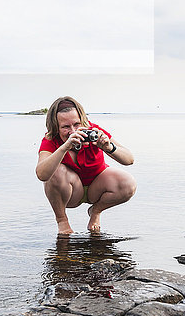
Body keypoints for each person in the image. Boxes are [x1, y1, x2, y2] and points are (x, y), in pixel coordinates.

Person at [36, 96, 136, 234]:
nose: (73, 131)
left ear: (83, 121)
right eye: (65, 127)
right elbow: (42, 174)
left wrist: (108, 147)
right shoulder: (51, 139)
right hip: (71, 193)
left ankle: (96, 211)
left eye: (76, 124)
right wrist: (65, 147)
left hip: (97, 187)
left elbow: (129, 159)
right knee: (55, 172)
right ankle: (62, 221)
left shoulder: (93, 130)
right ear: (56, 127)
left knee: (128, 183)